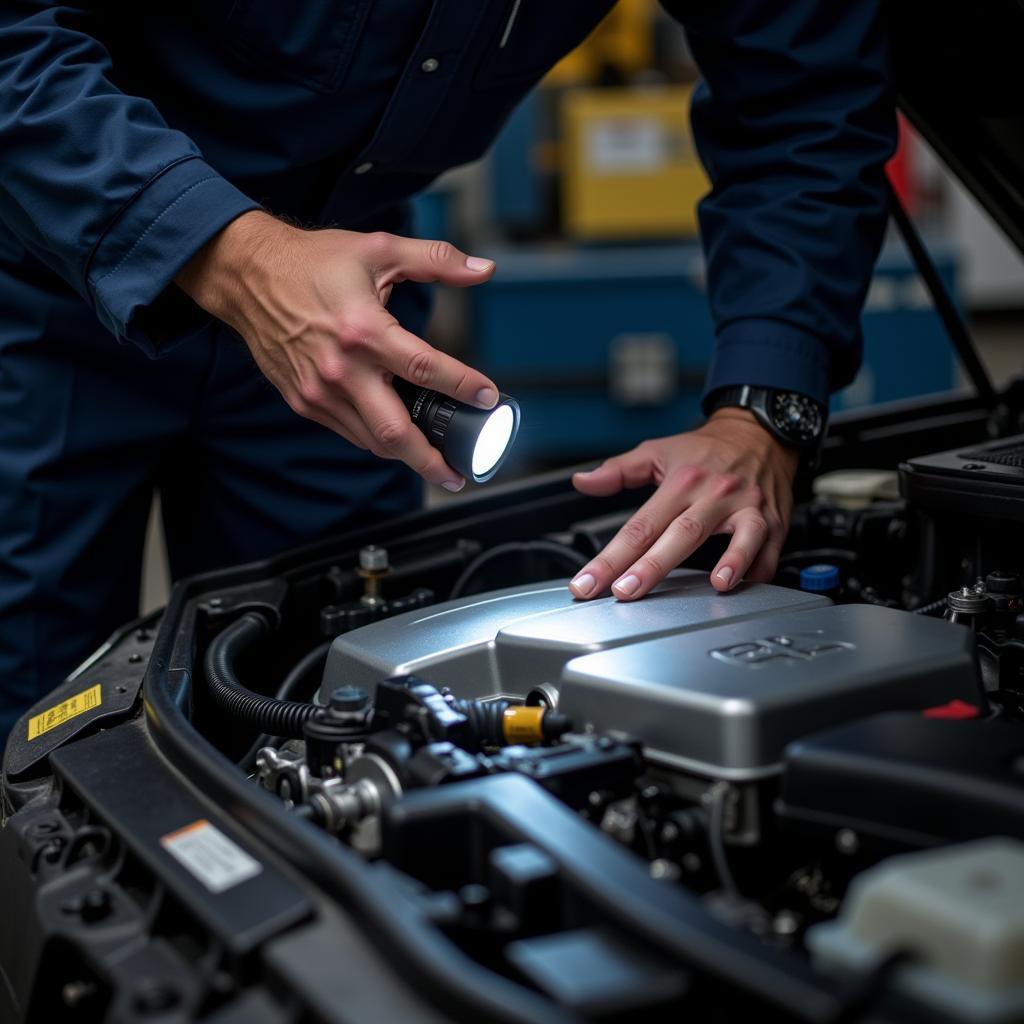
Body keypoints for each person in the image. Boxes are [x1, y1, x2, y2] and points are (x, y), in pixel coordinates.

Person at [0, 1, 895, 741]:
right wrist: (233, 257)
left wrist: (763, 412)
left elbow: (804, 96)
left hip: (357, 320)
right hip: (44, 283)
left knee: (319, 710)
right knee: (30, 729)